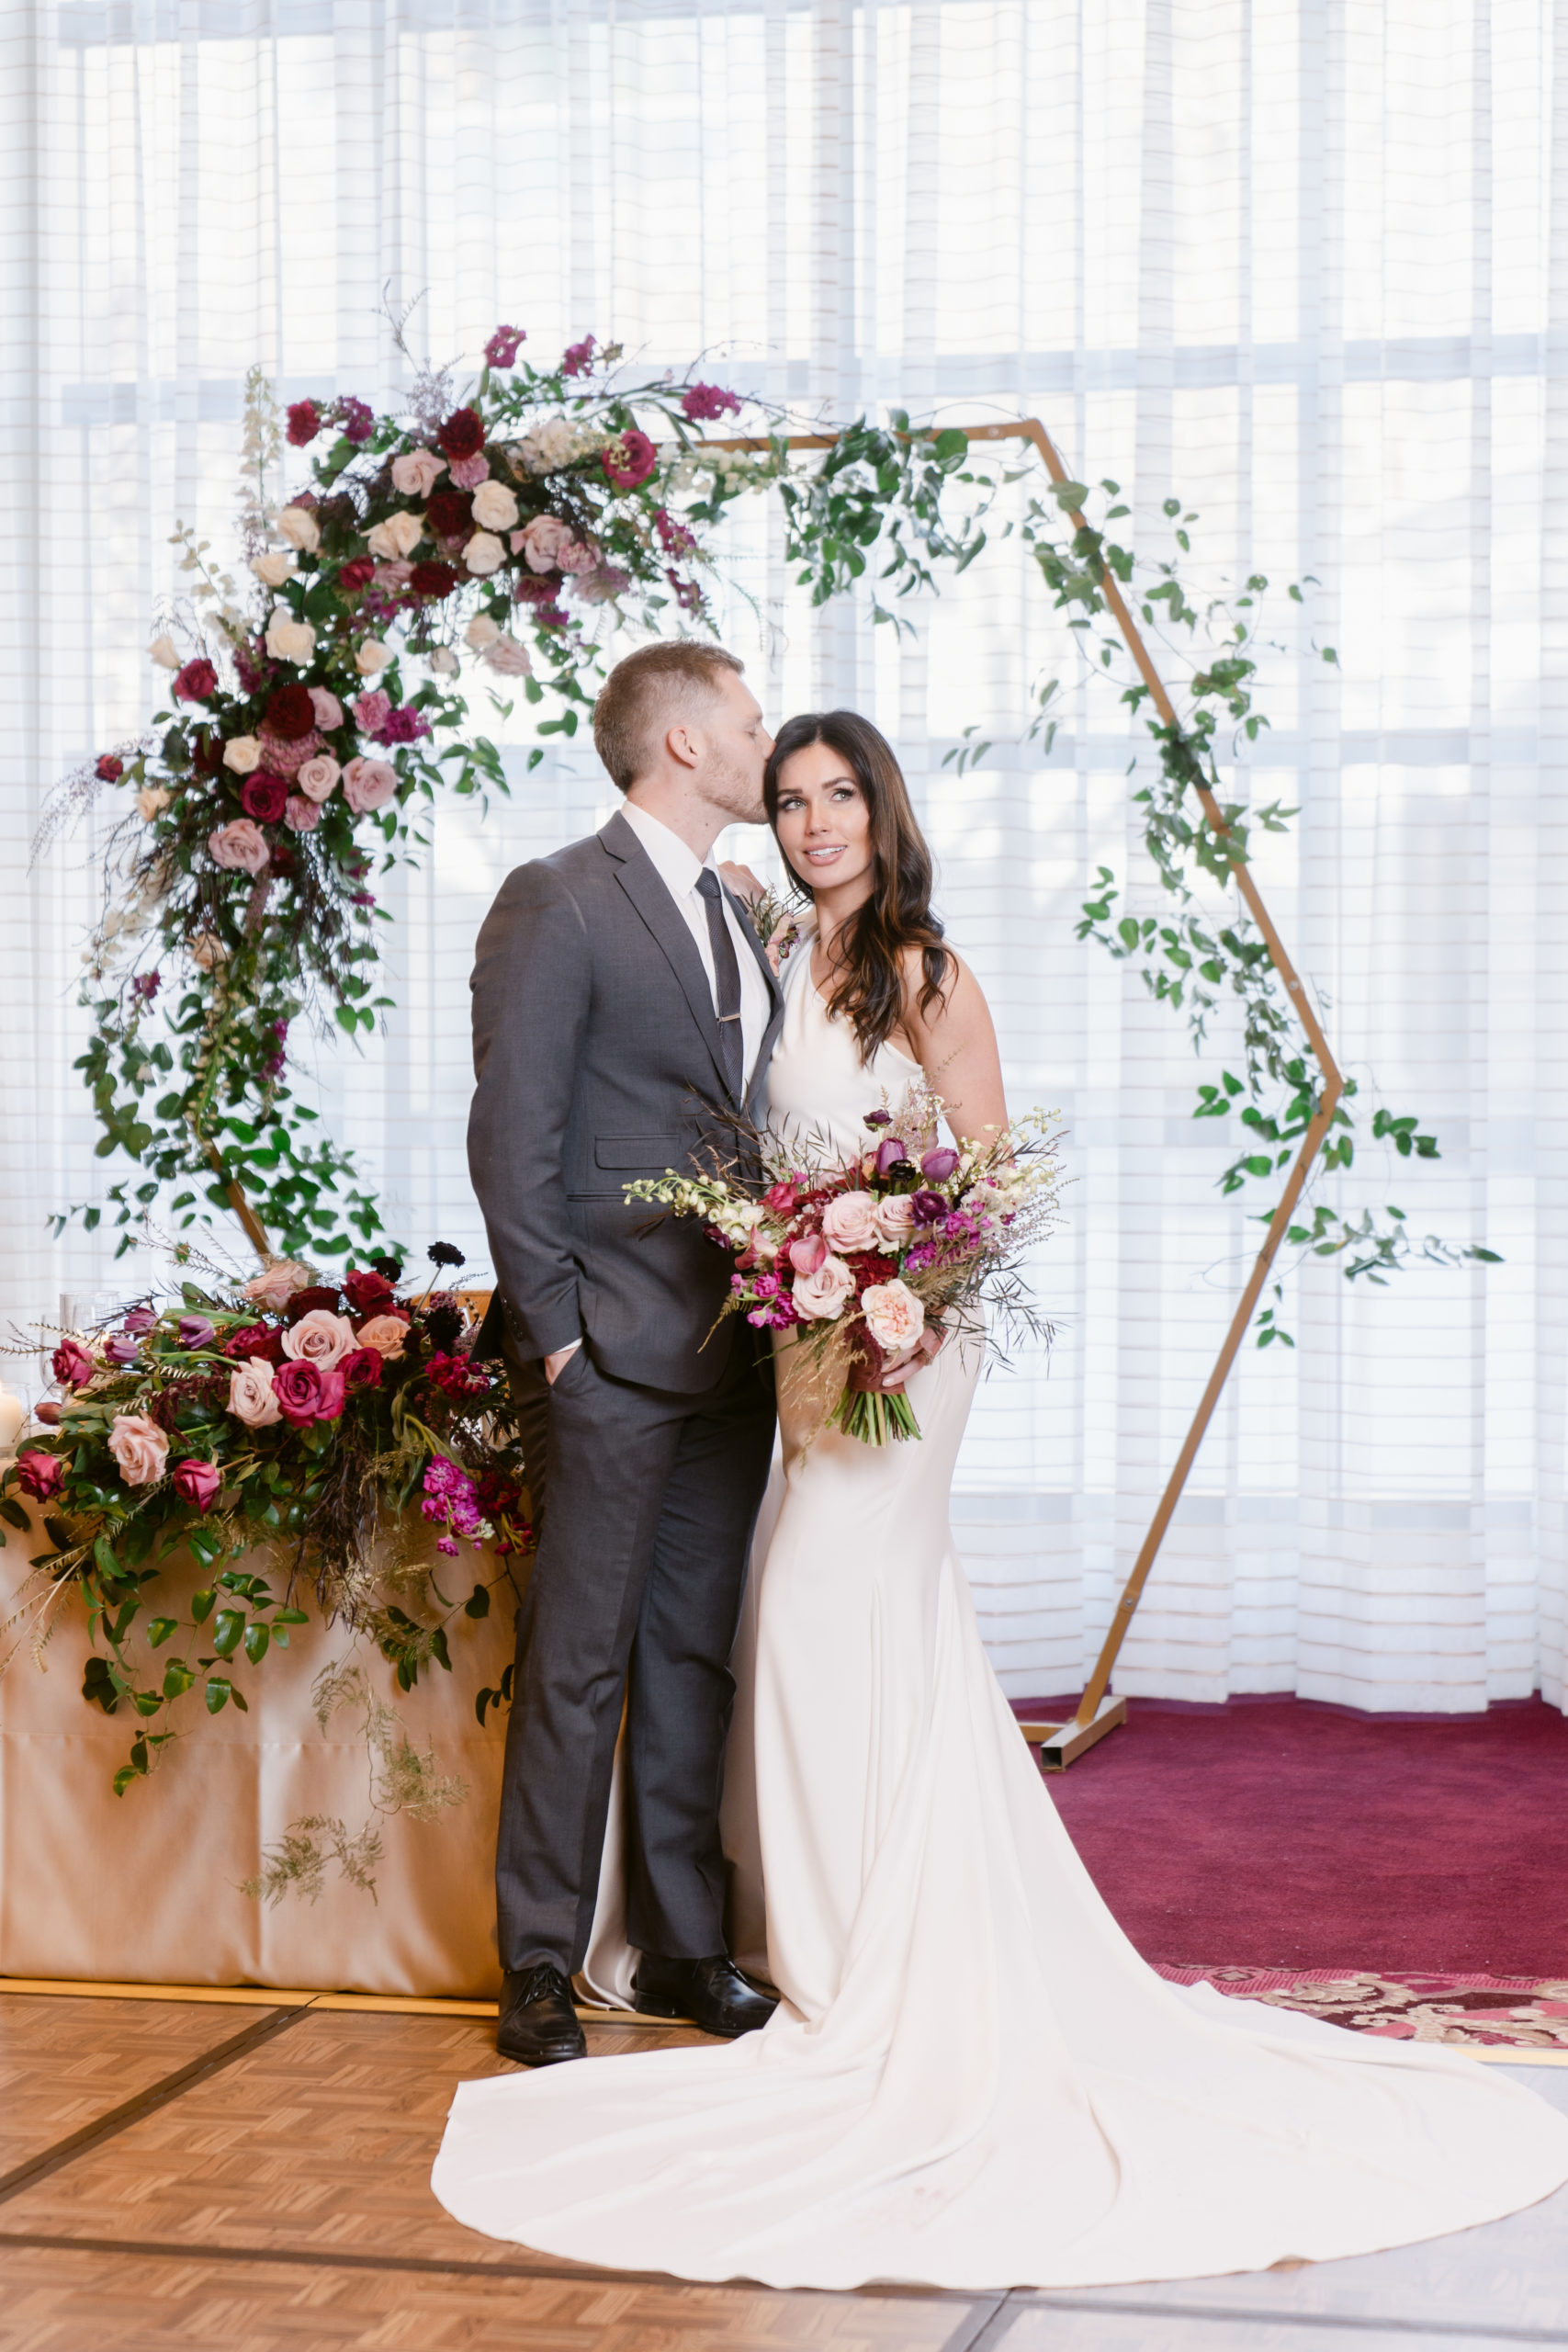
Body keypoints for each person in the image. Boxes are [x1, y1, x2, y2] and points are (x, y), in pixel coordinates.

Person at [439, 708, 1568, 2290]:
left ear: (884, 812)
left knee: (825, 1601)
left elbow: (988, 1167)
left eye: (840, 795)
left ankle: (835, 1955)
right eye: (791, 798)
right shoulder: (763, 954)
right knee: (789, 1625)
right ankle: (799, 1942)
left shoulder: (922, 967)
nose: (816, 819)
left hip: (904, 1345)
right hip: (786, 1344)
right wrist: (794, 1276)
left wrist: (897, 1282)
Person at [466, 641, 786, 2064]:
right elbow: (512, 1139)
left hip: (734, 1352)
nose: (766, 742)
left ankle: (680, 1950)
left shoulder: (737, 907)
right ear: (680, 745)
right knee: (578, 1664)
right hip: (604, 1353)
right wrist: (559, 1344)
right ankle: (538, 1961)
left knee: (690, 1658)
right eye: (749, 719)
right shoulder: (557, 899)